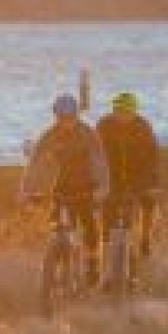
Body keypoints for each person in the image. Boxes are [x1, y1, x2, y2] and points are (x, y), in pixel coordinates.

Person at [20, 94, 111, 286]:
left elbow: (100, 162)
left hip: (87, 187)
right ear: (56, 116)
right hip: (61, 187)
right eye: (61, 117)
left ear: (77, 115)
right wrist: (25, 190)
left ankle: (93, 264)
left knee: (90, 230)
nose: (66, 121)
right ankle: (56, 263)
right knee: (57, 226)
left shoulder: (88, 134)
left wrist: (103, 187)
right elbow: (34, 163)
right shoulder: (50, 134)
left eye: (70, 117)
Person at [95, 92, 162, 260]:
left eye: (128, 112)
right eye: (119, 111)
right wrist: (95, 180)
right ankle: (106, 266)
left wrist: (152, 182)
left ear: (134, 112)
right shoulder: (104, 125)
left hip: (138, 176)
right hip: (111, 177)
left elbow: (152, 156)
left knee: (148, 202)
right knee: (106, 222)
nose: (123, 115)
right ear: (113, 110)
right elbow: (94, 154)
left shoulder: (143, 126)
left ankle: (145, 238)